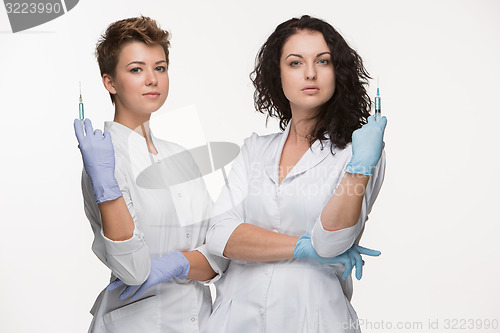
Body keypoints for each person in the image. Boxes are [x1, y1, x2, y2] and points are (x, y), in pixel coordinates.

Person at [204, 15, 387, 332]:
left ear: (337, 71)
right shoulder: (255, 150)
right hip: (236, 319)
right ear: (278, 74)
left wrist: (359, 168)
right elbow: (219, 235)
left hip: (316, 319)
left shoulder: (359, 153)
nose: (311, 73)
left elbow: (332, 240)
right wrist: (306, 247)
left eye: (323, 61)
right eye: (295, 63)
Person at [73, 16, 228, 332]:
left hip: (200, 320)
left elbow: (221, 255)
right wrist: (106, 184)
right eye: (136, 69)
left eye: (160, 67)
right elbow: (132, 269)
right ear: (110, 82)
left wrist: (178, 263)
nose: (152, 79)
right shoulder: (103, 160)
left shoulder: (181, 157)